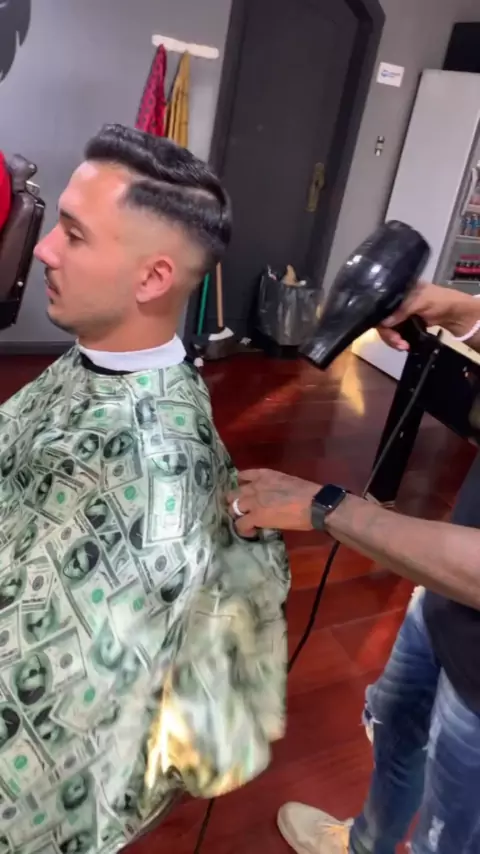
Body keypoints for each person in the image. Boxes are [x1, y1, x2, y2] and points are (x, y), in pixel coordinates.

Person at [0, 124, 289, 854]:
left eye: (73, 234)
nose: (44, 249)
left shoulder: (152, 466)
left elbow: (53, 715)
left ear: (153, 279)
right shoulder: (96, 360)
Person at [228, 281, 480, 854]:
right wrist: (465, 317)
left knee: (451, 830)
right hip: (442, 595)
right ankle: (364, 845)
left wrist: (330, 508)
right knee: (395, 730)